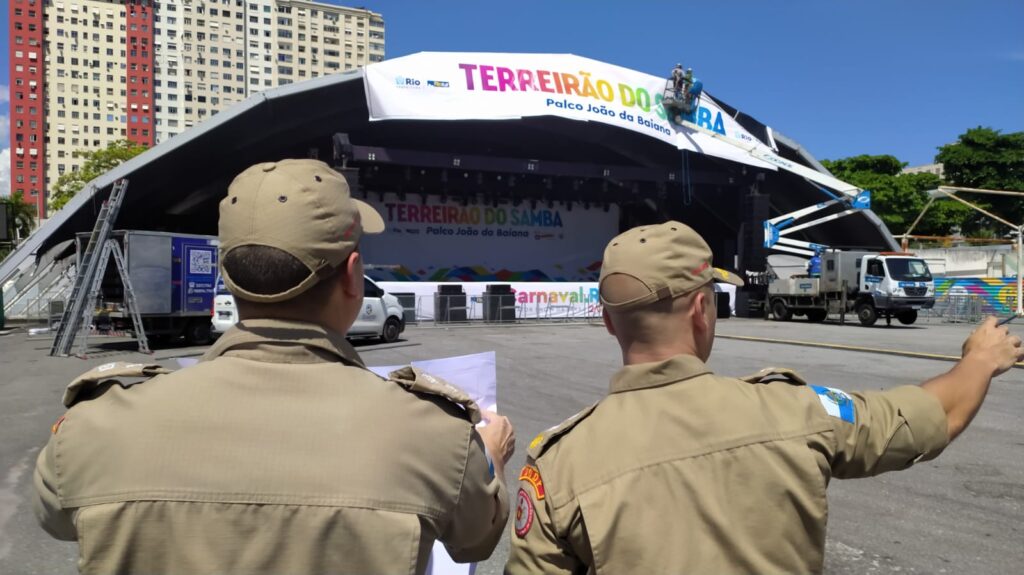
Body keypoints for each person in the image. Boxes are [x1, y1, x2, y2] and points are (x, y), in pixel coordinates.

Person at [33, 159, 514, 575]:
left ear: (226, 274)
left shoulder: (94, 428)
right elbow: (476, 539)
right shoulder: (436, 436)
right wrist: (487, 456)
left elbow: (53, 516)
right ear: (352, 277)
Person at [505, 221, 1022, 574]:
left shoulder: (557, 466)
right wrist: (980, 359)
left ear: (607, 320)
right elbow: (932, 419)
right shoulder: (796, 410)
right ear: (702, 311)